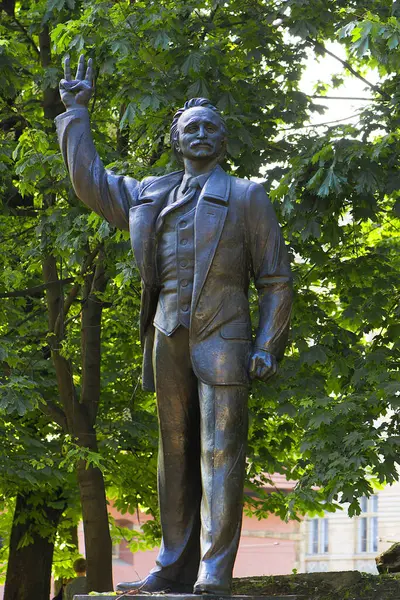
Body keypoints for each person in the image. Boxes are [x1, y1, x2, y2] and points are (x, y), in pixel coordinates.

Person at [56, 55, 293, 596]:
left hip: (226, 339)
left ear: (223, 141)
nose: (202, 134)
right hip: (167, 336)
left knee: (220, 452)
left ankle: (213, 567)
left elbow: (277, 281)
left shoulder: (246, 196)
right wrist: (76, 115)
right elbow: (91, 181)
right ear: (176, 140)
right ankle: (172, 564)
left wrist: (267, 345)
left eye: (212, 127)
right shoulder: (150, 194)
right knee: (174, 454)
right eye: (192, 128)